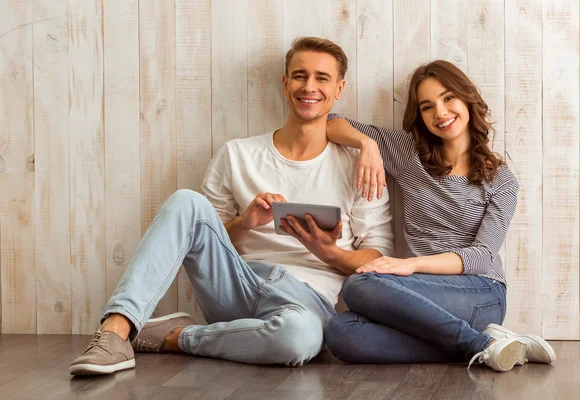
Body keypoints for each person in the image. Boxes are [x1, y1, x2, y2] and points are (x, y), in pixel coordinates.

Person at [68, 37, 394, 376]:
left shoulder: (362, 166)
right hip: (236, 282)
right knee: (186, 202)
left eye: (321, 78)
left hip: (307, 301)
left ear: (339, 88)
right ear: (285, 83)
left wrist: (328, 252)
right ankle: (115, 333)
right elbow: (197, 238)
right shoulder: (238, 154)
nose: (308, 86)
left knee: (298, 338)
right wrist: (246, 222)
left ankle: (173, 336)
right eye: (299, 75)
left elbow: (379, 260)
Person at [323, 60, 556, 372]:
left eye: (448, 98)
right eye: (427, 106)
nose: (441, 113)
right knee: (341, 332)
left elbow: (481, 256)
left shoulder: (501, 181)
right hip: (417, 298)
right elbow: (331, 122)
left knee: (358, 286)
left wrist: (411, 264)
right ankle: (484, 345)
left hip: (480, 294)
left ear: (466, 98)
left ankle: (480, 343)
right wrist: (366, 144)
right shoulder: (408, 155)